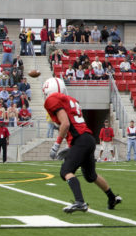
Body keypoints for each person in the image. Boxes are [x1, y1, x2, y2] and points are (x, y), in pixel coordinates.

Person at [43, 77, 122, 213]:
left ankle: (80, 202)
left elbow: (66, 124)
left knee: (66, 171)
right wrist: (70, 146)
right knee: (91, 176)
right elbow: (73, 124)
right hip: (87, 139)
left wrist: (56, 145)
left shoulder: (52, 99)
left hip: (80, 140)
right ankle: (112, 197)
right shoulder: (71, 100)